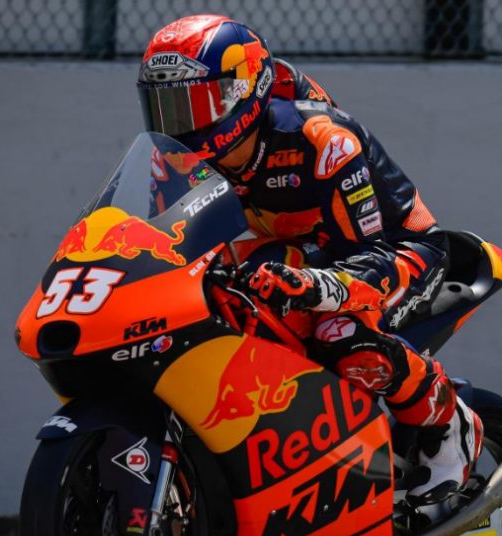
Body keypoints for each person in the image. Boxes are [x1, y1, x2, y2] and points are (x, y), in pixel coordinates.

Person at [137, 14, 481, 503]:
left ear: (241, 92)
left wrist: (315, 286)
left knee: (340, 334)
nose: (177, 124)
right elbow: (164, 245)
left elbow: (368, 254)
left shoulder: (322, 138)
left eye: (192, 104)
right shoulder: (175, 162)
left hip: (396, 250)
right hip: (301, 249)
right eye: (165, 108)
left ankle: (449, 422)